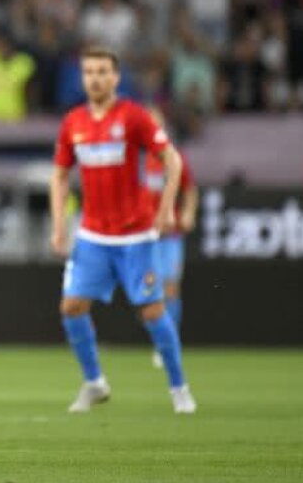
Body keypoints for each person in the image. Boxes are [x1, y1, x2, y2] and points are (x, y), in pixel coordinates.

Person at [49, 47, 196, 416]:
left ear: (116, 78)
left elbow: (172, 160)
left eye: (102, 71)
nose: (95, 78)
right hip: (93, 235)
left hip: (135, 235)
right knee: (71, 307)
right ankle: (95, 382)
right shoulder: (74, 123)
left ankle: (179, 387)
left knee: (152, 310)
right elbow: (60, 175)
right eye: (89, 72)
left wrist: (165, 209)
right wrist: (58, 226)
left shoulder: (134, 117)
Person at [145, 107, 198, 368]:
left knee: (170, 289)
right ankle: (159, 337)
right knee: (149, 293)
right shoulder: (134, 159)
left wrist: (187, 213)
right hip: (144, 237)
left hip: (170, 236)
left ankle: (166, 344)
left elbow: (189, 190)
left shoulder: (173, 158)